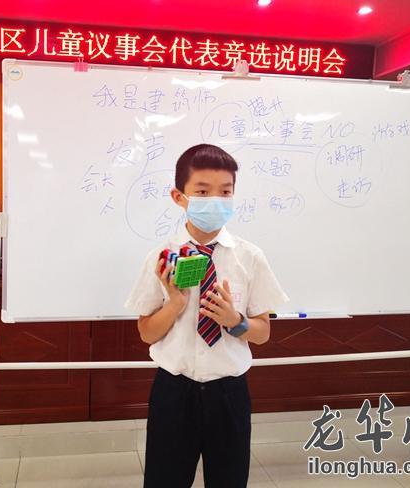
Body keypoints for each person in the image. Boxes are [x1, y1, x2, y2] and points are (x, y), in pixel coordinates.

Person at [125, 143, 289, 487]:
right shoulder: (161, 256)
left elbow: (262, 333)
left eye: (225, 192)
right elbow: (146, 333)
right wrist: (174, 305)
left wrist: (235, 322)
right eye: (202, 191)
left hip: (229, 394)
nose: (215, 199)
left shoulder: (249, 257)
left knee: (229, 481)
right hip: (174, 392)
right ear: (179, 196)